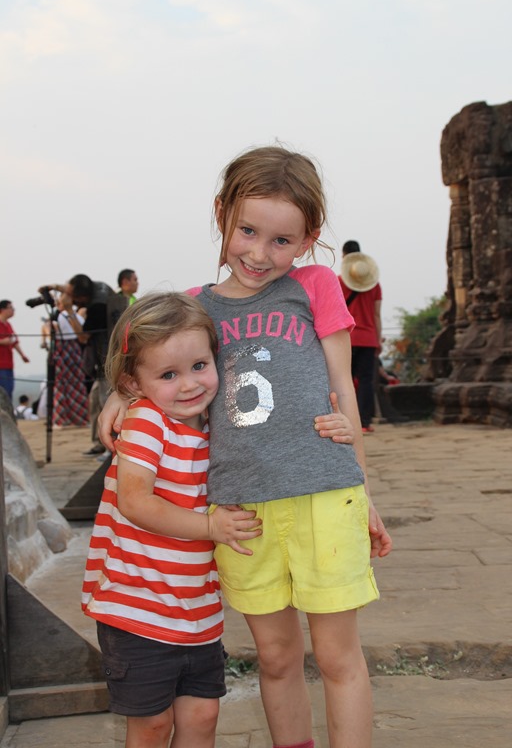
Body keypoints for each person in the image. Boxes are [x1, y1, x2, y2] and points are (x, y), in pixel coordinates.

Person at [99, 145, 392, 748]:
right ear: (222, 214)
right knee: (277, 657)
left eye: (282, 240)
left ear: (309, 238)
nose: (260, 254)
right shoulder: (197, 307)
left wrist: (363, 493)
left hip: (324, 494)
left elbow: (343, 389)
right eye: (248, 232)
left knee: (337, 656)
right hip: (241, 512)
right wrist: (119, 395)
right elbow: (146, 358)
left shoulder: (314, 286)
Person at [82, 291, 263, 748]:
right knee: (152, 725)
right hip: (137, 609)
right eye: (168, 374)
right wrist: (210, 528)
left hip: (197, 612)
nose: (189, 385)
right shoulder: (147, 421)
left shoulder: (217, 421)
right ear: (134, 382)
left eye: (199, 365)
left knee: (202, 717)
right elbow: (135, 501)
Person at [41, 276, 116, 454]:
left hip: (107, 360)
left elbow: (82, 337)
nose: (71, 299)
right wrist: (54, 286)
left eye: (73, 297)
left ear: (81, 297)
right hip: (103, 360)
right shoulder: (98, 287)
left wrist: (68, 310)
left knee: (106, 403)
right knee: (95, 401)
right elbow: (75, 289)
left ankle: (110, 447)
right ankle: (99, 443)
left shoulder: (97, 307)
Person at [338, 241, 383, 434]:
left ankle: (345, 419)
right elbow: (376, 315)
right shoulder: (375, 286)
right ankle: (364, 422)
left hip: (346, 338)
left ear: (345, 257)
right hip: (368, 339)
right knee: (366, 381)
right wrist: (378, 339)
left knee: (343, 380)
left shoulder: (339, 282)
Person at [51, 293, 89, 427]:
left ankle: (71, 418)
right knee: (68, 383)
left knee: (68, 383)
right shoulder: (63, 315)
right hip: (68, 347)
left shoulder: (69, 315)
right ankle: (71, 417)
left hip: (69, 347)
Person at [0, 299, 30, 402]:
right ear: (2, 310)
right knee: (3, 392)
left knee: (8, 391)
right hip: (1, 364)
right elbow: (8, 341)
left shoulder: (8, 325)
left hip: (8, 364)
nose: (13, 310)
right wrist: (2, 341)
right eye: (10, 308)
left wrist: (22, 355)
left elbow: (14, 342)